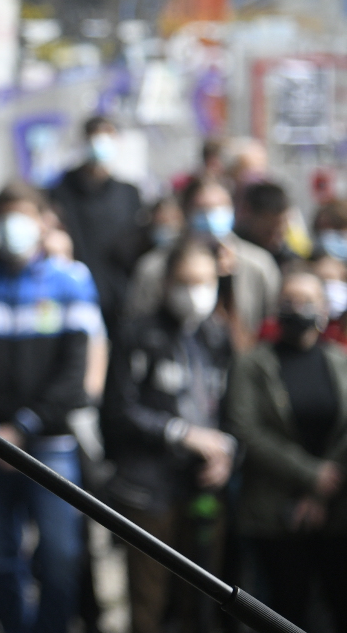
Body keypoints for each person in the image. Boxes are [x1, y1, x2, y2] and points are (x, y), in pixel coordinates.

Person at [0, 181, 102, 633]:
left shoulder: (69, 283)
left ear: (42, 221)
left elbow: (74, 373)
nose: (16, 226)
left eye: (25, 216)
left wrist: (25, 426)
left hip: (49, 443)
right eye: (7, 214)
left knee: (60, 553)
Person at [102, 238, 236, 633]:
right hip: (148, 486)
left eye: (204, 282)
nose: (195, 292)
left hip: (202, 485)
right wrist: (180, 433)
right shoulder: (137, 333)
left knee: (201, 598)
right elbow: (118, 409)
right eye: (185, 281)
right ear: (166, 283)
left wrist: (228, 454)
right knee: (149, 600)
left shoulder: (218, 337)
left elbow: (231, 410)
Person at [225, 272, 347, 631]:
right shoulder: (252, 363)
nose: (297, 309)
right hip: (274, 512)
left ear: (324, 309)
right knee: (286, 610)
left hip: (337, 509)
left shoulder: (339, 360)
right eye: (289, 301)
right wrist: (310, 476)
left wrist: (325, 485)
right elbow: (245, 428)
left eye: (307, 301)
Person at [128, 176, 280, 352]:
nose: (212, 216)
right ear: (185, 211)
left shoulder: (258, 265)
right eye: (203, 209)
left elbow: (270, 325)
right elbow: (137, 322)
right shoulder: (155, 266)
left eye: (220, 208)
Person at [48, 115, 142, 330]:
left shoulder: (129, 193)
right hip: (73, 295)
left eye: (107, 136)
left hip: (118, 298)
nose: (100, 143)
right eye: (94, 137)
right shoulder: (61, 191)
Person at [236, 180, 300, 269]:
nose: (274, 240)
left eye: (280, 233)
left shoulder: (288, 260)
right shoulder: (233, 253)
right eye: (268, 232)